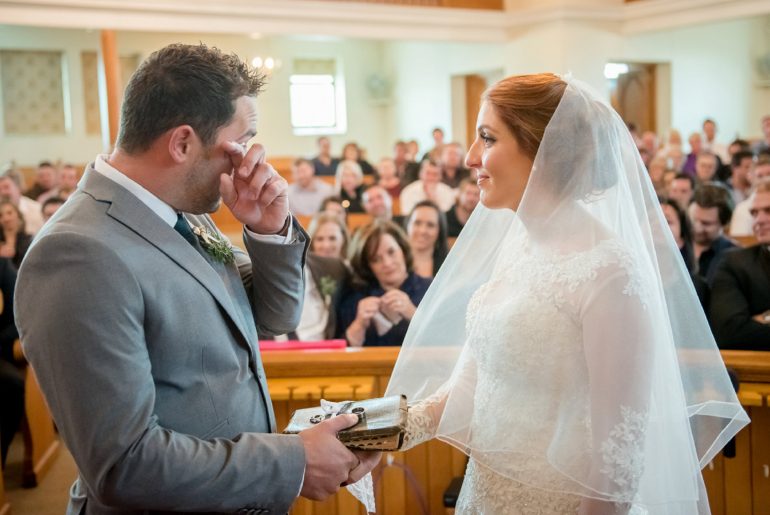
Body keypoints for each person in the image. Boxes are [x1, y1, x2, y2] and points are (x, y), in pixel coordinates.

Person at [14, 43, 379, 515]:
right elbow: (123, 464)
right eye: (241, 142)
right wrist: (292, 463)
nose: (248, 161)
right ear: (183, 143)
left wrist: (269, 232)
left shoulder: (185, 213)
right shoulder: (77, 253)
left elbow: (274, 317)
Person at [384, 74, 747, 514]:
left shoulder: (609, 273)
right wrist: (379, 433)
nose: (470, 156)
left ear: (542, 151)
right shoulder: (519, 244)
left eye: (488, 138)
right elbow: (468, 388)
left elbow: (618, 457)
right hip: (485, 498)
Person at [337, 221, 431, 347]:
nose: (387, 263)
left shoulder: (432, 290)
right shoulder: (355, 298)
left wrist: (412, 313)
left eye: (391, 252)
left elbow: (446, 341)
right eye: (376, 259)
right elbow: (340, 352)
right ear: (367, 266)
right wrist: (359, 324)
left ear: (403, 250)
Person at [710, 180, 770, 350]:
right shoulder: (734, 263)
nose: (759, 220)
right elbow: (729, 333)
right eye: (754, 213)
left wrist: (763, 319)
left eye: (768, 211)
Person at [688, 183, 735, 282]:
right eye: (693, 220)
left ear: (724, 223)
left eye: (706, 223)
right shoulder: (677, 247)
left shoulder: (733, 256)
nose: (697, 228)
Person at [406, 200, 448, 278]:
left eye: (430, 225)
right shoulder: (393, 263)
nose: (423, 231)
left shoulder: (449, 266)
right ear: (408, 225)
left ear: (439, 230)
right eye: (417, 223)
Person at [0, 168, 44, 235]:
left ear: (18, 187)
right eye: (0, 189)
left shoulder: (37, 210)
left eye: (6, 187)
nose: (3, 192)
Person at [0, 200, 32, 269]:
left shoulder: (29, 240)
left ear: (18, 215)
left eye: (9, 213)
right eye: (0, 216)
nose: (6, 219)